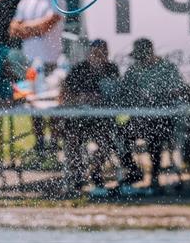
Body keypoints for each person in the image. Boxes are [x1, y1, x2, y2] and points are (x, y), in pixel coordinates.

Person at [60, 39, 142, 190]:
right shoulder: (79, 70)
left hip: (102, 117)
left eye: (103, 53)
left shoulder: (111, 68)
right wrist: (81, 98)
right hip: (80, 118)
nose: (100, 56)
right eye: (97, 53)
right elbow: (63, 96)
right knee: (73, 138)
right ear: (89, 53)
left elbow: (116, 93)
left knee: (108, 138)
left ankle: (95, 171)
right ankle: (77, 175)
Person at [120, 38, 185, 190]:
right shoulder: (134, 70)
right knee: (119, 135)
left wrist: (161, 95)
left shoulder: (167, 68)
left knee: (155, 136)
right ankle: (133, 170)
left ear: (150, 53)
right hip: (140, 118)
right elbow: (124, 94)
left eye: (142, 57)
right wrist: (135, 97)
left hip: (163, 118)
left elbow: (179, 90)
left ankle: (154, 178)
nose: (140, 61)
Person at [9, 0, 64, 154]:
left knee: (53, 102)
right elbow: (13, 30)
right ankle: (40, 142)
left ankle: (54, 142)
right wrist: (34, 28)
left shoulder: (57, 0)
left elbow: (47, 26)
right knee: (32, 102)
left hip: (50, 61)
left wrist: (25, 27)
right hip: (29, 63)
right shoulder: (25, 2)